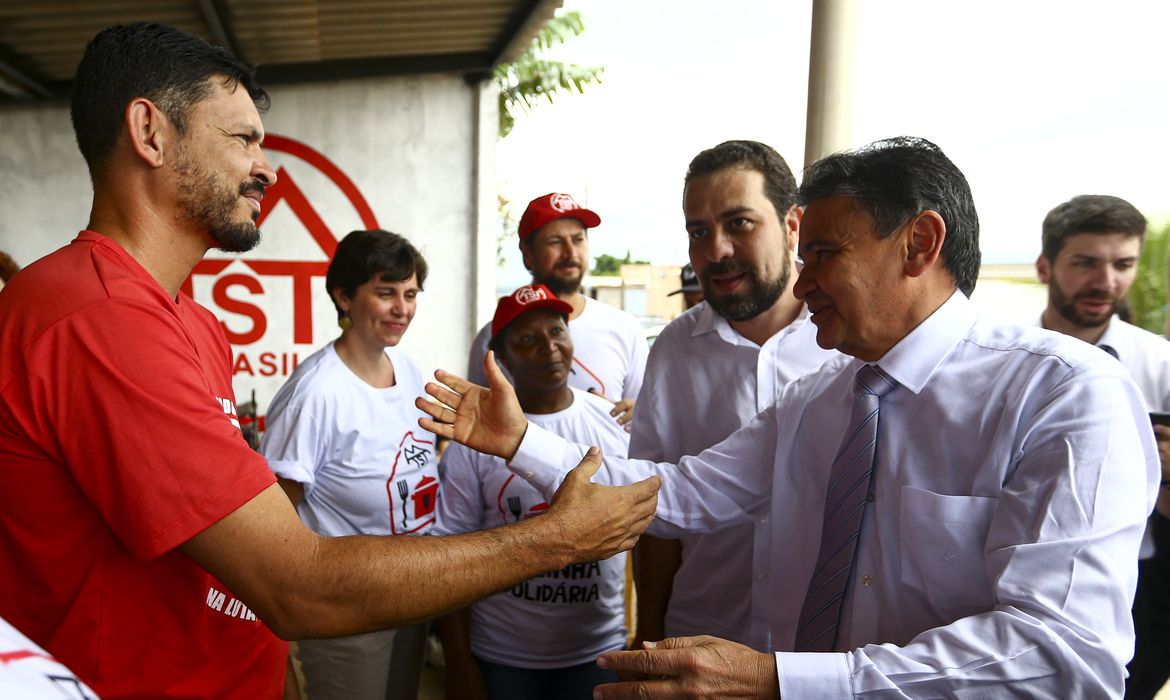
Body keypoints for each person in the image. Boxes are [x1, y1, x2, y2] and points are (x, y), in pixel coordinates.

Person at [0, 22, 660, 699]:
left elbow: (226, 560)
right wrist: (559, 538)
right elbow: (297, 584)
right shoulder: (97, 318)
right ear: (149, 132)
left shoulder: (187, 322)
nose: (265, 167)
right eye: (242, 139)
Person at [418, 136, 1158, 698]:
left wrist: (785, 681)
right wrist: (520, 441)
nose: (802, 285)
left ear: (920, 244)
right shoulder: (823, 399)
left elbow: (1063, 656)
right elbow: (672, 493)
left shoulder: (1062, 394)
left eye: (825, 254)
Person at [631, 140, 837, 653]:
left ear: (793, 225)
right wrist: (650, 633)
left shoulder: (851, 342)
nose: (716, 250)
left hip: (825, 654)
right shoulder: (674, 350)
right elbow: (653, 513)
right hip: (698, 638)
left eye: (739, 223)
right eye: (698, 232)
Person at [260, 229, 437, 700]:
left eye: (410, 294)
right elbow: (275, 518)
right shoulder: (315, 394)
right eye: (386, 293)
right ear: (344, 296)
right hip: (349, 606)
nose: (402, 308)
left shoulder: (410, 370)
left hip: (415, 588)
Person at [435, 284, 631, 700]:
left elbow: (649, 531)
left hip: (597, 652)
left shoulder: (611, 421)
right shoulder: (474, 439)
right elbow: (448, 554)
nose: (549, 347)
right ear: (501, 359)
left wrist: (648, 627)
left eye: (557, 331)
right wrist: (459, 661)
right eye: (527, 339)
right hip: (502, 656)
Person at [1034, 194, 1170, 700]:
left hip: (1135, 585)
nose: (1107, 281)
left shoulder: (1161, 364)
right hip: (1008, 578)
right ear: (1045, 266)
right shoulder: (993, 363)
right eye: (1086, 263)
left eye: (1123, 264)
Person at [467, 193, 649, 428]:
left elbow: (644, 415)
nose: (570, 253)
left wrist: (638, 415)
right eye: (555, 242)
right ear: (528, 254)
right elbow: (481, 421)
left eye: (578, 240)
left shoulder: (624, 328)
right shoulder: (494, 337)